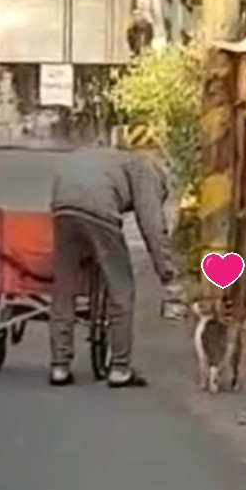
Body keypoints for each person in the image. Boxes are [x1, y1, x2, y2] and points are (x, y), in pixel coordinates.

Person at [48, 150, 185, 388]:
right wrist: (168, 277)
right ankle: (120, 368)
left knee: (64, 290)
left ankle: (60, 366)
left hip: (63, 203)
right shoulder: (147, 171)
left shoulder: (115, 158)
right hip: (98, 207)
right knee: (121, 289)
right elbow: (152, 228)